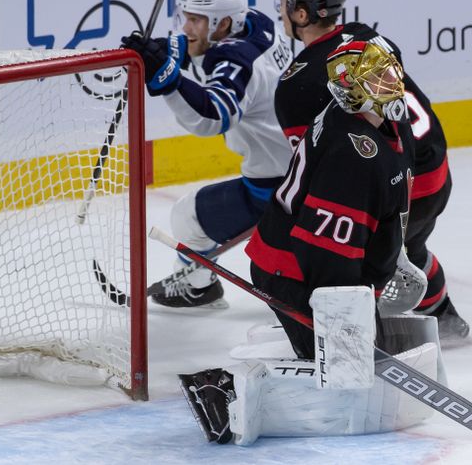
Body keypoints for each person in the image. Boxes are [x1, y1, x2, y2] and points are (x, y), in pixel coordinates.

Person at [179, 41, 447, 445]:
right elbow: (326, 255)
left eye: (390, 71)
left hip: (320, 259)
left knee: (357, 363)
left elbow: (386, 211)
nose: (391, 83)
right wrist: (345, 317)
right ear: (352, 92)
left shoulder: (385, 124)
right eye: (376, 78)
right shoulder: (353, 153)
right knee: (348, 376)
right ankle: (221, 389)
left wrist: (392, 261)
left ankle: (314, 347)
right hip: (291, 268)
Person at [273, 0, 469, 343]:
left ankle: (359, 339)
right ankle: (444, 317)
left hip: (394, 190)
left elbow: (312, 170)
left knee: (353, 262)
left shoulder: (296, 84)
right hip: (433, 173)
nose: (279, 10)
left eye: (284, 3)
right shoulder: (372, 39)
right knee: (412, 245)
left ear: (300, 12)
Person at [122, 0, 293, 308]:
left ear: (224, 21)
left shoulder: (236, 60)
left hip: (276, 189)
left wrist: (166, 77)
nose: (187, 27)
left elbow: (213, 117)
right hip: (303, 169)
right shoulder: (255, 24)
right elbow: (202, 46)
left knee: (188, 217)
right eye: (187, 17)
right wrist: (165, 50)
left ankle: (198, 288)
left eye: (197, 20)